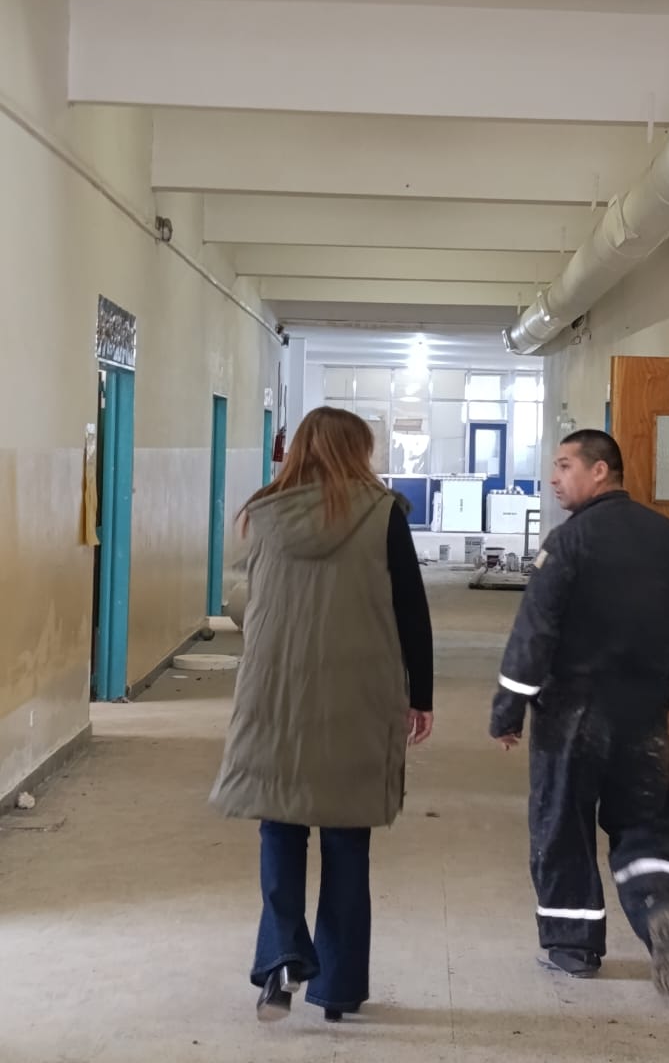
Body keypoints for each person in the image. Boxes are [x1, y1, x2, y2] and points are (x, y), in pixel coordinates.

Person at [210, 407, 434, 1024]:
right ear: (356, 451)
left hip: (274, 694)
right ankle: (338, 989)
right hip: (357, 694)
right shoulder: (383, 513)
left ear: (301, 447)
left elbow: (244, 600)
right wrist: (422, 695)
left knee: (280, 826)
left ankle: (281, 957)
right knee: (348, 838)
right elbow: (412, 611)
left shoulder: (262, 512)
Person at [490, 429, 669, 995]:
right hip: (642, 713)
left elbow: (535, 633)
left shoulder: (568, 543)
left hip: (571, 715)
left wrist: (509, 709)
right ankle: (661, 909)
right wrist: (667, 684)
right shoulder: (667, 537)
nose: (554, 478)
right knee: (647, 824)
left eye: (565, 465)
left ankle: (573, 946)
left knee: (563, 826)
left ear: (600, 470)